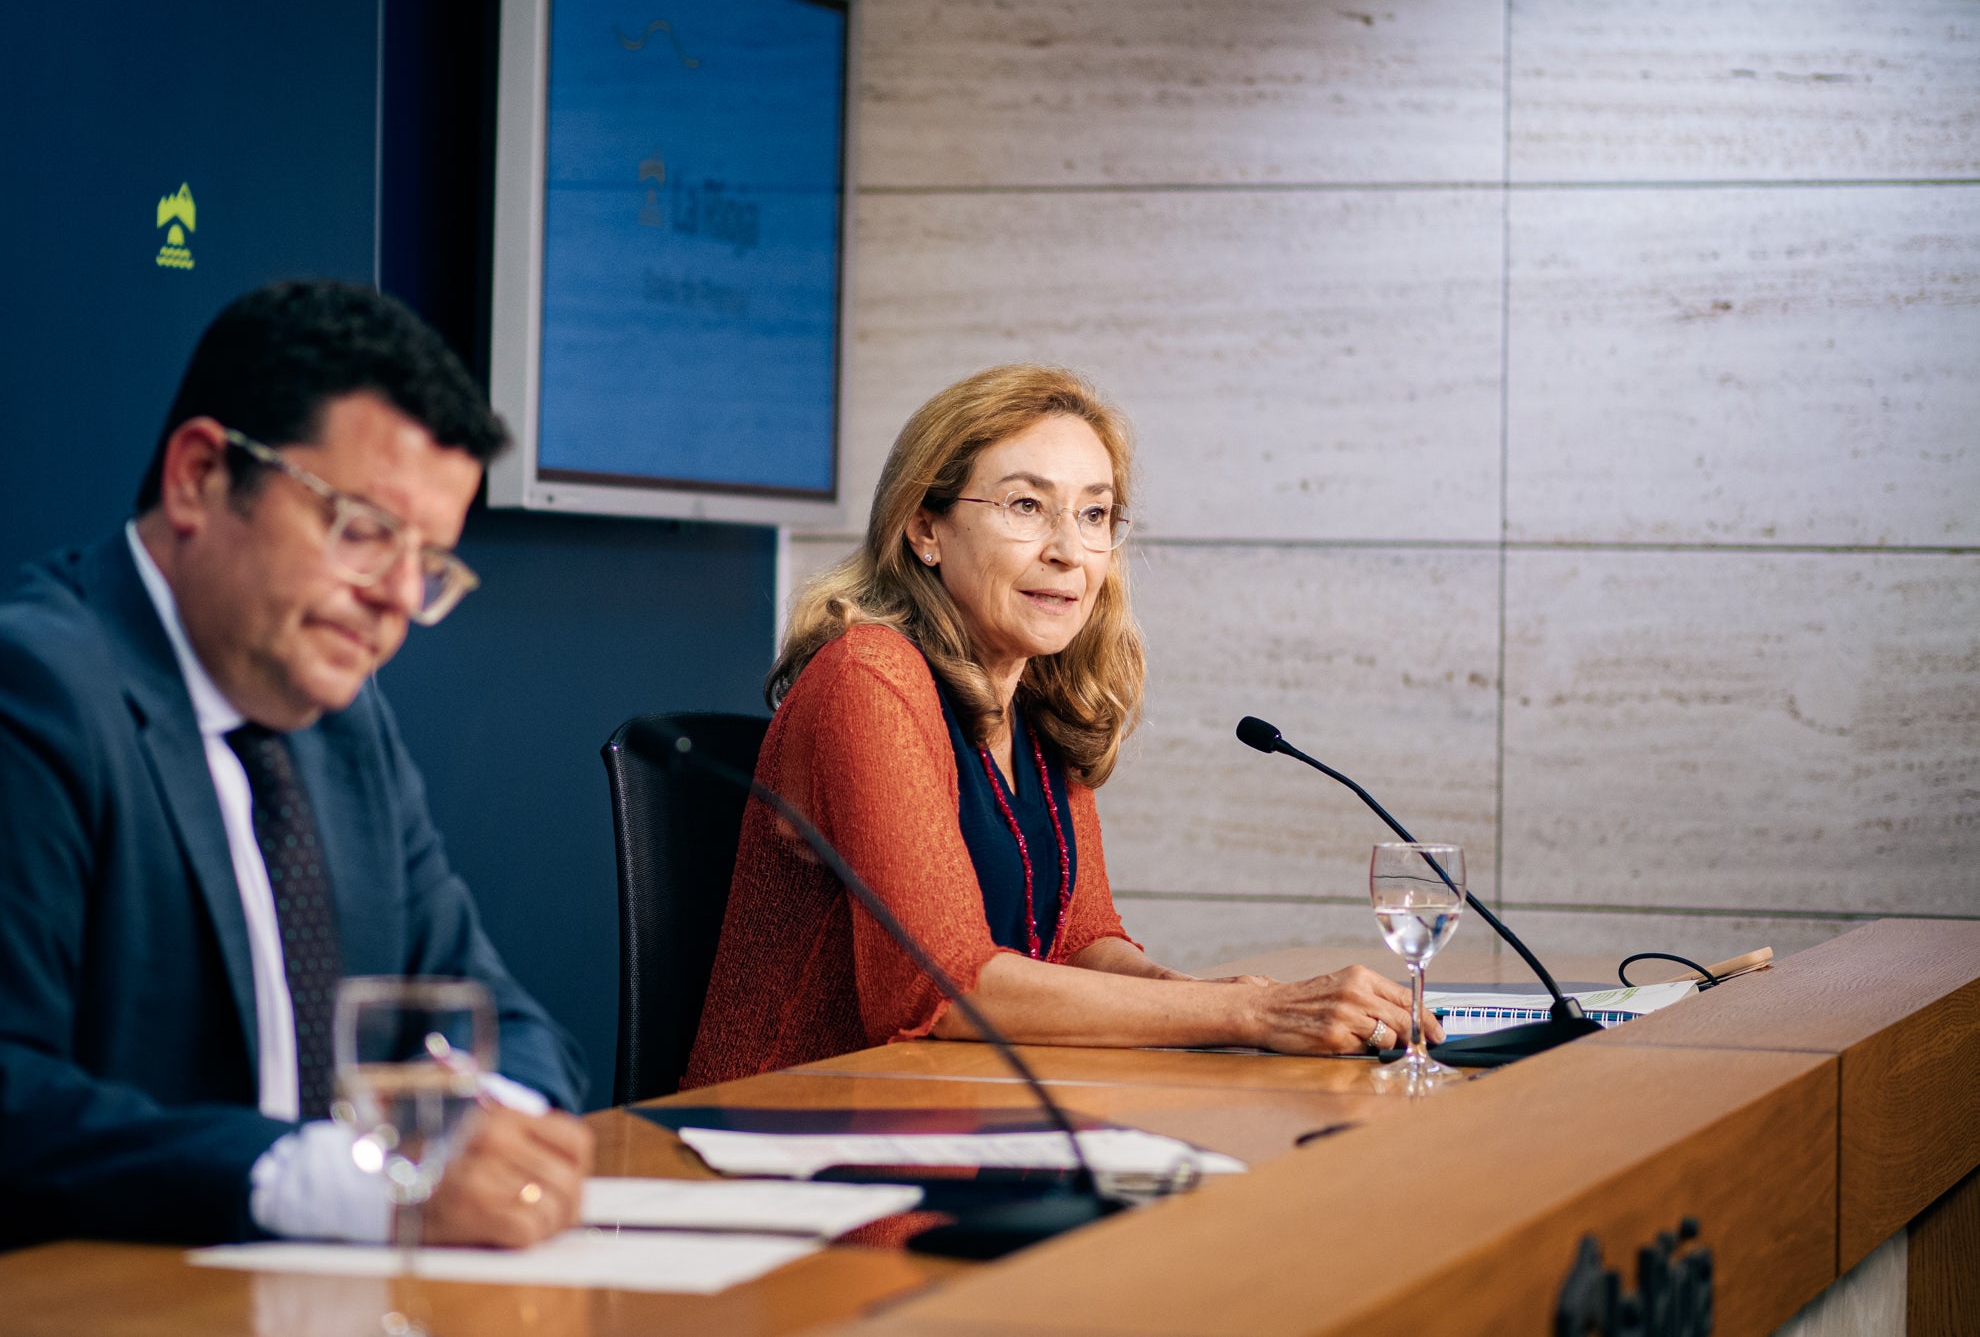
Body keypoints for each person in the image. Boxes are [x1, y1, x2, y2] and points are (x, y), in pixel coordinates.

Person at [0, 281, 592, 1250]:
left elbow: (496, 1016)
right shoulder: (37, 688)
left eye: (430, 561)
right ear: (199, 476)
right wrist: (361, 1187)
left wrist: (494, 1132)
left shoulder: (347, 727)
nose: (397, 599)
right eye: (362, 529)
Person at [683, 364, 1439, 1088]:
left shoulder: (1037, 696)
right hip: (795, 1151)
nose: (1069, 550)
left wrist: (1226, 1000)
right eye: (1025, 505)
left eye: (1093, 513)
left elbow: (1081, 941)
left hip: (961, 1116)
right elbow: (941, 989)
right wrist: (1250, 1011)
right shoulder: (869, 677)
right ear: (925, 529)